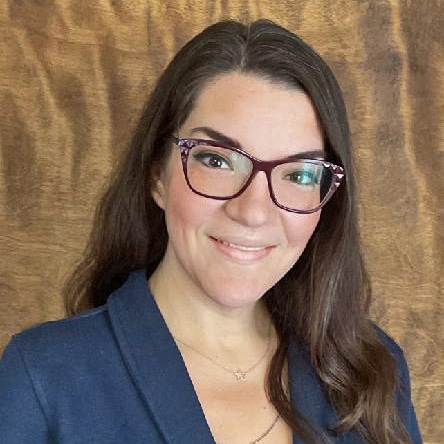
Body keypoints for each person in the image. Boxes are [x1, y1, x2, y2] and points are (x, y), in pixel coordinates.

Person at [0, 19, 422, 444]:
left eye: (299, 174)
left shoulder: (372, 371)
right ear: (157, 175)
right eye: (217, 161)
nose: (254, 211)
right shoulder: (43, 376)